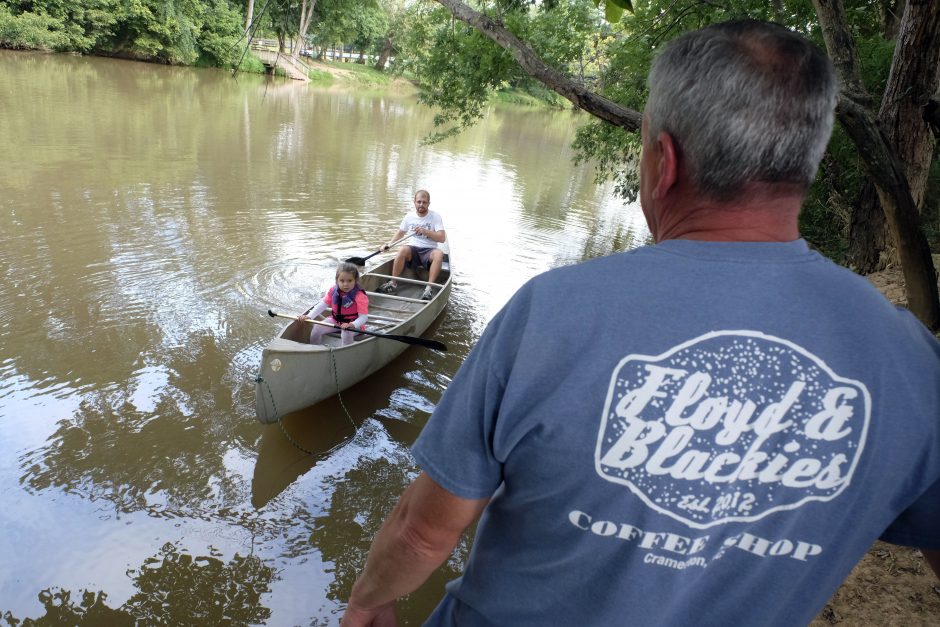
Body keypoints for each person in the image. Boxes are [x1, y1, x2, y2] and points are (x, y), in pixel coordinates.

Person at [342, 19, 940, 627]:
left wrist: (370, 599)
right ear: (804, 164)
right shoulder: (910, 359)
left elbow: (423, 533)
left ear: (665, 160)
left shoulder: (551, 313)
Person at [377, 189, 446, 300]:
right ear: (414, 202)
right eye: (419, 202)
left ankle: (429, 288)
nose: (421, 204)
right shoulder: (409, 216)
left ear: (429, 203)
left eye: (424, 202)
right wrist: (389, 244)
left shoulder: (435, 216)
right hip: (413, 249)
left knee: (439, 254)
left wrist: (425, 231)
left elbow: (442, 238)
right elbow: (400, 233)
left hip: (429, 251)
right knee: (402, 249)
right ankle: (393, 283)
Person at [298, 262, 368, 346]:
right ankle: (314, 349)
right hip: (336, 321)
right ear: (337, 280)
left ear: (355, 280)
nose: (345, 284)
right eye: (342, 281)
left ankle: (345, 353)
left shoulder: (360, 296)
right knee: (316, 328)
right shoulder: (333, 290)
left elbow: (363, 317)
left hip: (354, 325)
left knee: (346, 333)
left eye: (350, 280)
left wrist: (352, 325)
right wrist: (309, 316)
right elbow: (322, 304)